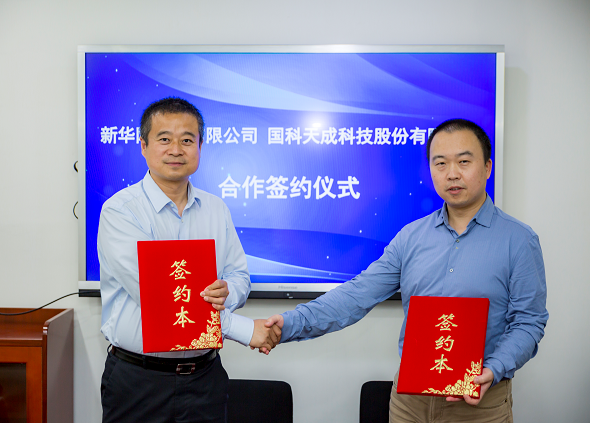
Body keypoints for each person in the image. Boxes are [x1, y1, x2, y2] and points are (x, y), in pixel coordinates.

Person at [264, 119, 548, 422]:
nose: (452, 173)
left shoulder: (518, 240)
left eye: (464, 161)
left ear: (487, 167)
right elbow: (357, 294)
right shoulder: (411, 237)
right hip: (409, 403)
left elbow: (529, 321)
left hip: (480, 404)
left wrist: (494, 368)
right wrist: (290, 324)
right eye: (440, 163)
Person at [98, 97, 280, 423]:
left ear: (200, 146)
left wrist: (225, 292)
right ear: (143, 146)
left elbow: (239, 276)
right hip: (139, 381)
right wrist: (242, 329)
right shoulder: (120, 211)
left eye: (186, 140)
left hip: (205, 379)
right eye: (164, 139)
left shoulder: (216, 209)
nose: (176, 150)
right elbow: (161, 296)